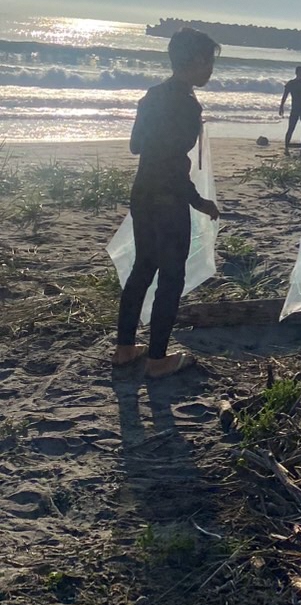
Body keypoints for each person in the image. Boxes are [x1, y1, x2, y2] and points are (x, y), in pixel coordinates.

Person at [113, 27, 221, 378]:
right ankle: (158, 359)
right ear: (194, 61)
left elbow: (136, 146)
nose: (211, 70)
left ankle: (125, 349)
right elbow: (174, 162)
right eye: (209, 62)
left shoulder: (153, 95)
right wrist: (199, 201)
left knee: (143, 268)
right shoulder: (187, 105)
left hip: (142, 191)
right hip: (169, 198)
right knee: (171, 277)